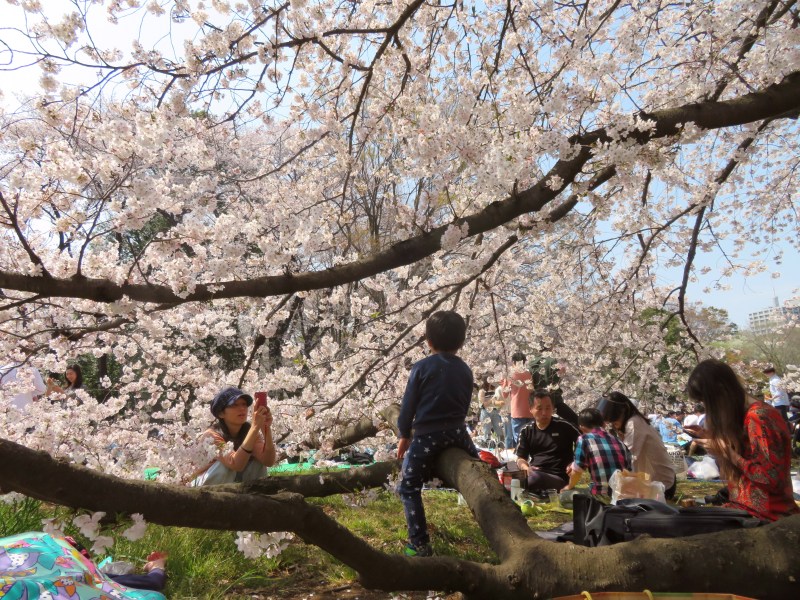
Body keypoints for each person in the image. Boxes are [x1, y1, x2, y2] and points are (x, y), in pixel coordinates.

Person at [396, 310, 479, 557]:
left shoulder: (421, 368)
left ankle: (419, 543)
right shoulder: (465, 369)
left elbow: (408, 406)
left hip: (427, 435)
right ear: (461, 342)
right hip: (458, 432)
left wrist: (404, 434)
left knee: (408, 486)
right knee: (480, 468)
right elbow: (465, 404)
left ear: (428, 340)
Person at [685, 359, 798, 521]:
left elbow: (769, 478)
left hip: (766, 516)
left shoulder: (759, 417)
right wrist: (712, 438)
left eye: (707, 402)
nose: (708, 409)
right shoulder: (747, 416)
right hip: (744, 509)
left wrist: (727, 452)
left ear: (721, 392)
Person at [189, 386, 276, 486]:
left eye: (244, 404)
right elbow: (235, 463)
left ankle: (255, 494)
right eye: (234, 405)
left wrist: (266, 428)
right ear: (221, 414)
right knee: (224, 466)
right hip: (201, 486)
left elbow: (268, 461)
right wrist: (255, 427)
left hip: (232, 483)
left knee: (257, 462)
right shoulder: (211, 436)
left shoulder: (249, 432)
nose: (242, 408)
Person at [599, 391, 677, 500]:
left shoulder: (634, 423)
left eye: (615, 422)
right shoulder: (634, 421)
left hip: (660, 484)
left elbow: (626, 455)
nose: (614, 426)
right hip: (651, 481)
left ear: (623, 411)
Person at [515, 390, 580, 493]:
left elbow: (584, 442)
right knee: (512, 479)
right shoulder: (526, 430)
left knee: (534, 479)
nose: (544, 413)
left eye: (548, 408)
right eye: (539, 409)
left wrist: (575, 462)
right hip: (535, 472)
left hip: (559, 476)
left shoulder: (564, 426)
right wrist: (526, 468)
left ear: (553, 408)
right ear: (531, 409)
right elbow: (520, 458)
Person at [562, 407, 632, 498]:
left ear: (582, 428)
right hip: (623, 494)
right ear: (604, 424)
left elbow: (577, 471)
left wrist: (569, 486)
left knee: (564, 496)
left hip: (602, 494)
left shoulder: (584, 439)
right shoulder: (618, 441)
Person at [499, 351, 534, 445]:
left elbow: (505, 394)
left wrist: (503, 384)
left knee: (519, 439)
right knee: (530, 437)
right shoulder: (528, 374)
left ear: (513, 362)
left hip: (517, 410)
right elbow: (532, 391)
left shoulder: (510, 375)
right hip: (530, 410)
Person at [477, 377, 504, 448]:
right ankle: (487, 445)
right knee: (487, 429)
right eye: (490, 379)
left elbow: (496, 400)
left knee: (498, 428)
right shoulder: (482, 391)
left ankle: (500, 445)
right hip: (485, 412)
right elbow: (483, 404)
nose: (492, 381)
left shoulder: (494, 389)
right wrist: (491, 400)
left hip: (495, 411)